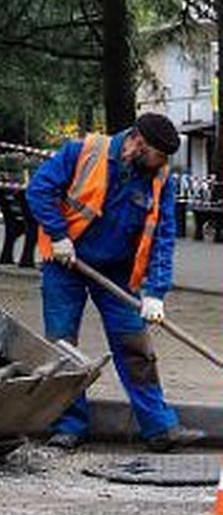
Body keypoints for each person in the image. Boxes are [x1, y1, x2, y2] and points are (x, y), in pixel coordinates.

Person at [26, 112, 205, 453]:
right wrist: (59, 235)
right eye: (159, 154)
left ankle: (159, 429)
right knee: (63, 345)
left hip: (118, 272)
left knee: (136, 347)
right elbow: (39, 190)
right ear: (138, 142)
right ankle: (68, 427)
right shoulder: (83, 152)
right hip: (66, 262)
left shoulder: (159, 176)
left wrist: (156, 293)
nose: (163, 163)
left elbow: (164, 235)